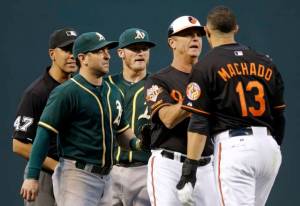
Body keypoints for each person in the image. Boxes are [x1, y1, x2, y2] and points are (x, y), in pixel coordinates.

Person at [20, 32, 146, 206]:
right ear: (83, 58)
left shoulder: (113, 92)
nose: (107, 55)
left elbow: (122, 131)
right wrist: (32, 176)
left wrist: (138, 144)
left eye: (108, 50)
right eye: (100, 51)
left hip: (109, 177)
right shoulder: (67, 92)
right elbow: (43, 135)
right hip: (77, 175)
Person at [176, 6, 285, 206]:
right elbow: (279, 116)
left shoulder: (206, 66)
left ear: (207, 32)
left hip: (236, 149)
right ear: (236, 28)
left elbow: (199, 122)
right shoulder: (266, 62)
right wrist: (272, 145)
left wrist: (189, 171)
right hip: (269, 150)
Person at [145, 16, 219, 206]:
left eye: (198, 35)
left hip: (205, 166)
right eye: (187, 34)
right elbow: (168, 118)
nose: (195, 39)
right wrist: (194, 97)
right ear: (172, 42)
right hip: (169, 165)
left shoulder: (211, 77)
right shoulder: (158, 80)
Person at [12, 27, 78, 206]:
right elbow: (19, 145)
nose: (72, 55)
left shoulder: (81, 89)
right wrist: (56, 167)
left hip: (76, 175)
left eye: (75, 50)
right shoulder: (37, 93)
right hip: (44, 174)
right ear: (52, 54)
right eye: (66, 50)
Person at [105, 28, 155, 206]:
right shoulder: (106, 86)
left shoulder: (158, 86)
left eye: (144, 48)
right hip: (108, 171)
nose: (140, 52)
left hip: (146, 169)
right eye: (134, 48)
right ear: (120, 53)